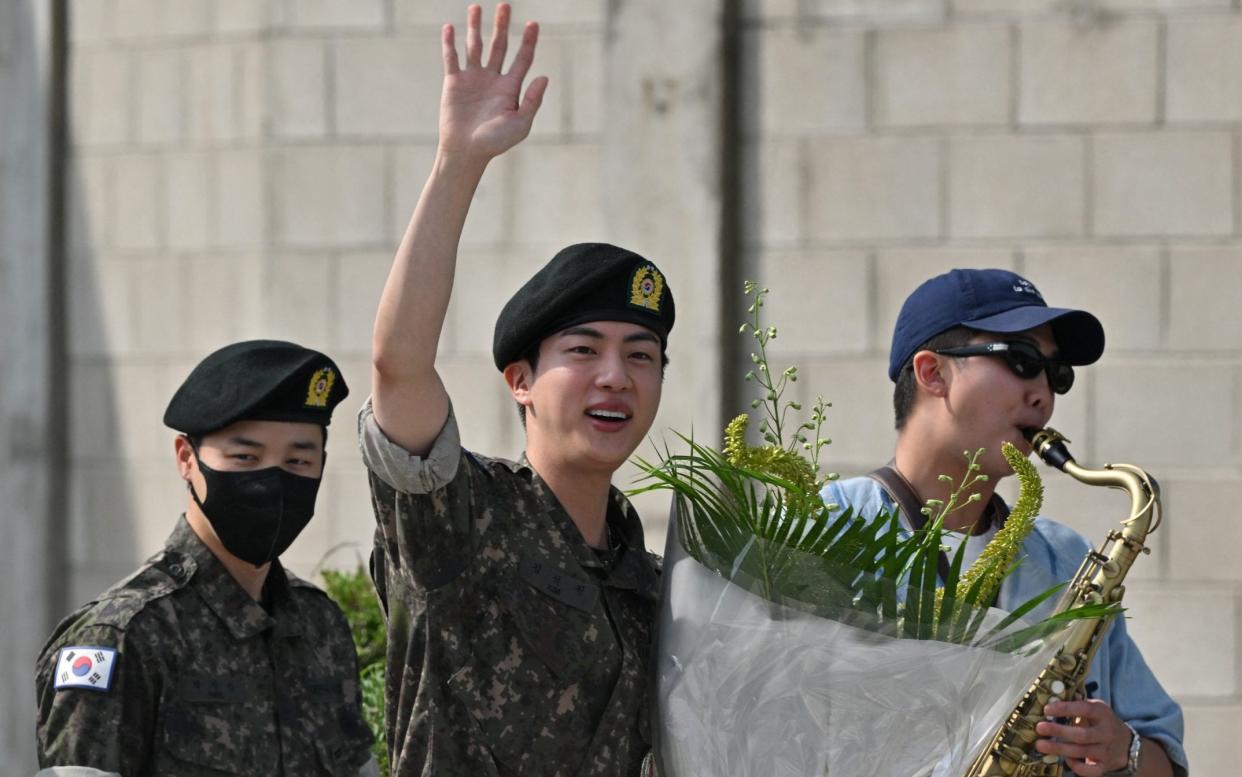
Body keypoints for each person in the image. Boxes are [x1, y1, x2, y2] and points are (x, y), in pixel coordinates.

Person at [358, 4, 672, 775]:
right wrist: (457, 162)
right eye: (584, 350)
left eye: (642, 354)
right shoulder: (463, 522)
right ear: (521, 380)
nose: (615, 376)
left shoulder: (654, 582)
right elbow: (399, 366)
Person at [820, 268, 1187, 777]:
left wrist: (1121, 749)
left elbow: (1165, 758)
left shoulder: (1066, 558)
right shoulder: (821, 527)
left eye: (1056, 375)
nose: (1044, 395)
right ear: (932, 373)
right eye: (1022, 360)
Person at [35, 340, 377, 777]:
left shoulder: (320, 626)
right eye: (245, 457)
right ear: (186, 459)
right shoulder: (122, 637)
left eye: (297, 460)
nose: (272, 481)